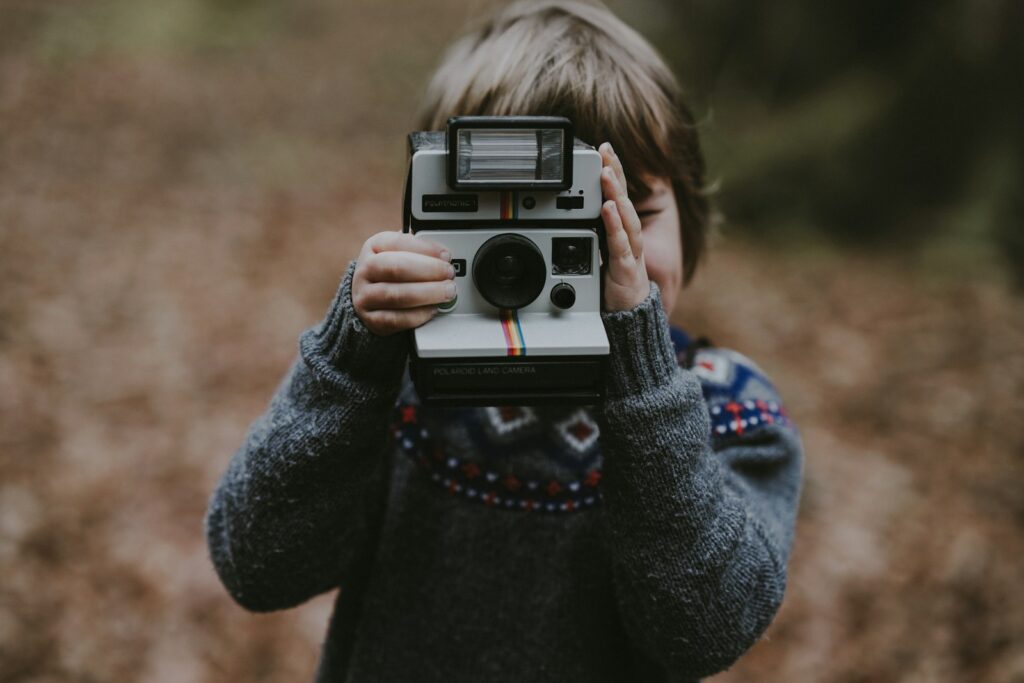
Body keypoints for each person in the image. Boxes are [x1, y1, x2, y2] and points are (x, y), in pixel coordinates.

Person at [204, 2, 804, 681]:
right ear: (428, 219)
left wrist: (640, 373)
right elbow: (258, 563)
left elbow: (704, 628)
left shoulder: (729, 406)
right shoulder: (396, 384)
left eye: (622, 213)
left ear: (690, 216)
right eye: (521, 222)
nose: (591, 253)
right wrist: (353, 356)